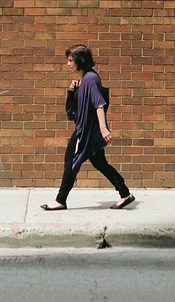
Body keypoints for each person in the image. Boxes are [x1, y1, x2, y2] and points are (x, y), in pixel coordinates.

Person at [40, 44, 135, 211]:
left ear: (80, 61)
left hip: (86, 131)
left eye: (71, 60)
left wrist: (103, 129)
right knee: (100, 163)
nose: (68, 64)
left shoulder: (90, 79)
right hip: (88, 129)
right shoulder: (85, 78)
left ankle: (60, 200)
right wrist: (72, 90)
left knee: (71, 160)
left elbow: (99, 104)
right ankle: (125, 193)